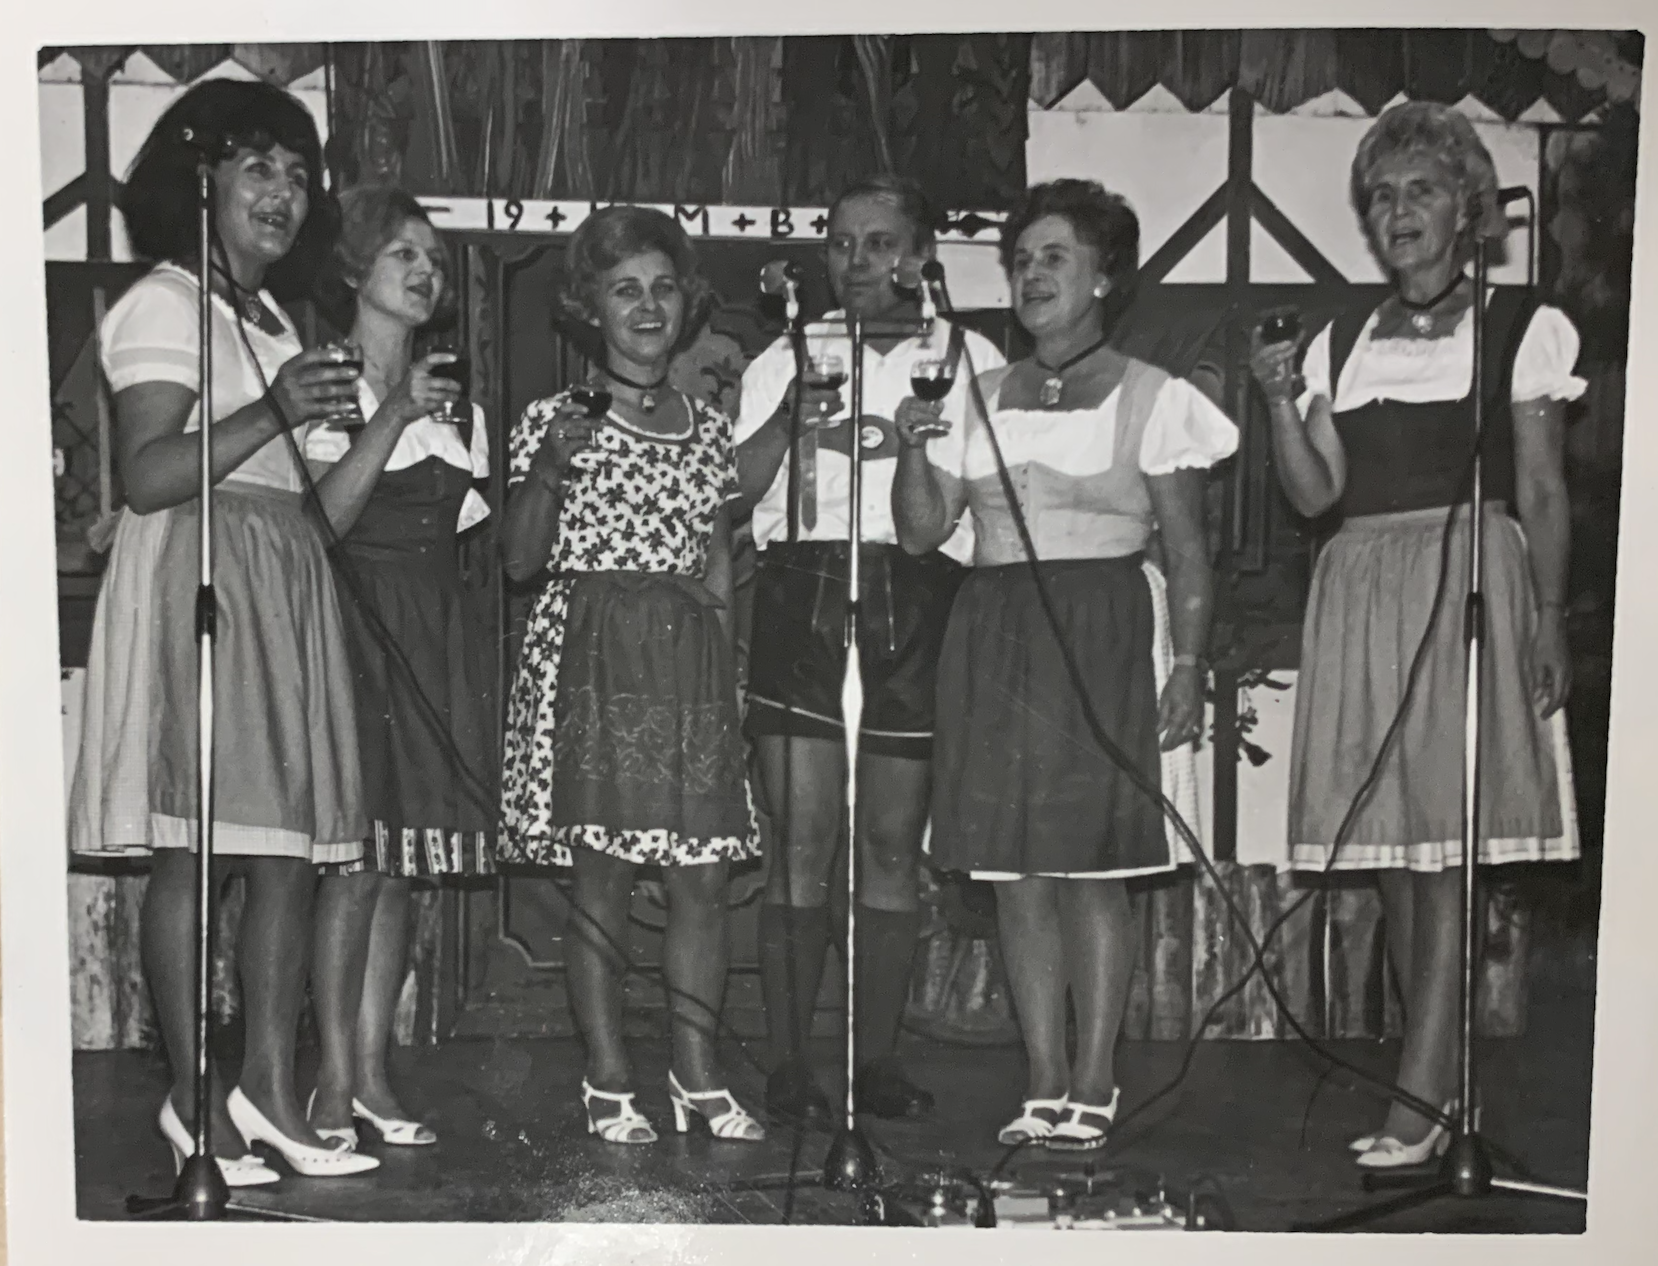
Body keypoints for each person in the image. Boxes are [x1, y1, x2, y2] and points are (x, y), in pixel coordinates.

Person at [1251, 102, 1581, 1169]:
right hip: (1360, 589)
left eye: (1422, 190)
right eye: (1383, 195)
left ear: (1468, 211)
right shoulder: (1338, 340)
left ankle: (1425, 1102)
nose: (1400, 212)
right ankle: (1431, 1089)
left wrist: (1545, 614)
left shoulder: (1518, 326)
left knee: (1445, 859)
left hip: (1468, 579)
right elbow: (1314, 494)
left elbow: (1539, 486)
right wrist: (1272, 402)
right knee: (1397, 858)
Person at [67, 79, 378, 1181]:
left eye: (297, 174)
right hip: (199, 574)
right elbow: (151, 473)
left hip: (278, 578)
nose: (283, 193)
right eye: (257, 167)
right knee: (193, 851)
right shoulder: (161, 301)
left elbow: (311, 510)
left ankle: (266, 1092)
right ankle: (192, 1101)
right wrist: (278, 409)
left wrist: (376, 424)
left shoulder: (275, 320)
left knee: (289, 860)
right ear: (198, 183)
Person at [894, 179, 1236, 1151]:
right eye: (1021, 258)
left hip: (1102, 629)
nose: (1031, 274)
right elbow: (922, 536)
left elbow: (1187, 549)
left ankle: (1094, 1079)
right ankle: (1040, 1076)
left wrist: (1190, 666)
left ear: (1104, 275)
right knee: (1013, 871)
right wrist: (915, 453)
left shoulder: (1152, 396)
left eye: (1054, 256)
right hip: (994, 631)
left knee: (1092, 869)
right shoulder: (978, 394)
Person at [735, 175, 1005, 1126]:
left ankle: (877, 1059)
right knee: (800, 843)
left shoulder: (964, 357)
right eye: (843, 243)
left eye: (880, 243)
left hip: (915, 596)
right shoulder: (786, 355)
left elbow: (980, 502)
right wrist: (793, 417)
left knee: (890, 844)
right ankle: (786, 1063)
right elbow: (736, 495)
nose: (858, 262)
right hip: (803, 594)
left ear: (919, 255)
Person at [497, 206, 763, 1144]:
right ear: (588, 308)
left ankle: (695, 1072)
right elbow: (520, 562)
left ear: (684, 302)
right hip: (595, 659)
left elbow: (719, 557)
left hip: (686, 664)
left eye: (662, 287)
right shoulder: (555, 419)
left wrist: (727, 673)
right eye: (624, 289)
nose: (647, 306)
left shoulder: (710, 427)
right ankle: (609, 1078)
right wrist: (548, 477)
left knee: (701, 881)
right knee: (601, 881)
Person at [301, 185, 496, 1151]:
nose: (426, 273)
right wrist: (394, 415)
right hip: (348, 629)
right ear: (352, 270)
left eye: (433, 261)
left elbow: (470, 544)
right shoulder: (325, 387)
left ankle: (375, 1072)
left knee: (401, 870)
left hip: (430, 636)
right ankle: (329, 1086)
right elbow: (323, 520)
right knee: (352, 866)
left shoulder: (460, 405)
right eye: (402, 257)